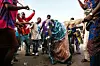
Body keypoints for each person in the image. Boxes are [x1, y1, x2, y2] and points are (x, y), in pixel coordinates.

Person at [0, 0, 29, 66]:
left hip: (3, 25)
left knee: (4, 48)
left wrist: (16, 23)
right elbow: (8, 6)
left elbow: (5, 14)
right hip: (6, 26)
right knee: (14, 46)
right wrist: (23, 7)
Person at [82, 0, 100, 66]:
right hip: (93, 24)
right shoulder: (89, 1)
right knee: (91, 47)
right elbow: (84, 7)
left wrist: (91, 14)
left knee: (94, 46)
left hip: (97, 22)